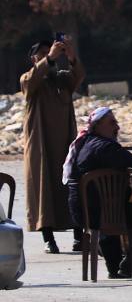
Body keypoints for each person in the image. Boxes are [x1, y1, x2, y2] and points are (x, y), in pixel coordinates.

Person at [65, 107, 132, 280]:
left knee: (126, 203)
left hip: (86, 213)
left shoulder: (87, 143)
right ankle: (130, 264)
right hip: (100, 213)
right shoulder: (104, 147)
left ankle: (120, 266)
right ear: (96, 126)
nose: (117, 127)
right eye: (112, 123)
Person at [20, 35, 85, 255]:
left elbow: (79, 76)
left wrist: (71, 56)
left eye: (53, 53)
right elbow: (30, 81)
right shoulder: (29, 81)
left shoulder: (62, 79)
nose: (51, 57)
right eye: (44, 55)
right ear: (34, 60)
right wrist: (48, 58)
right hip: (42, 149)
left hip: (65, 147)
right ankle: (49, 240)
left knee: (71, 189)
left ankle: (78, 237)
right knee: (43, 193)